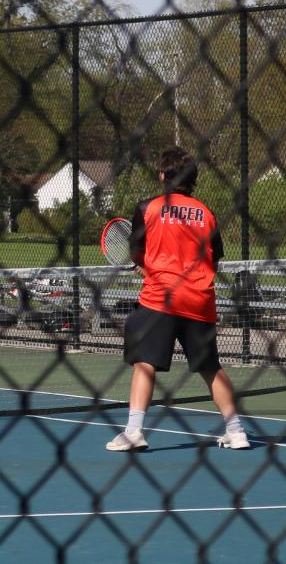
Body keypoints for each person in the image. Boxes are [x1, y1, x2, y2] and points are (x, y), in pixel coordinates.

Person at [105, 147, 249, 452]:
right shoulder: (207, 214)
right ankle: (237, 431)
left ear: (162, 175)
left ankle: (134, 432)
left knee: (145, 363)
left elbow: (135, 253)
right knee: (210, 366)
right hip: (200, 300)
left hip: (161, 299)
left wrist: (149, 268)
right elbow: (215, 259)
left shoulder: (148, 208)